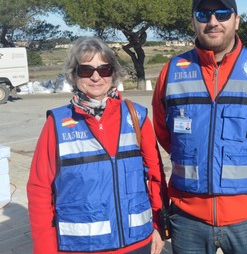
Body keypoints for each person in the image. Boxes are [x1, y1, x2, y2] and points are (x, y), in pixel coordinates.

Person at [152, 0, 247, 254]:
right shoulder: (172, 71)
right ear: (193, 22)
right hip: (188, 219)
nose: (213, 22)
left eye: (223, 14)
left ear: (236, 20)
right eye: (203, 15)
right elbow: (164, 131)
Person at [27, 37, 168, 254]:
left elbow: (156, 176)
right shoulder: (56, 124)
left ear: (113, 73)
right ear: (74, 75)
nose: (95, 76)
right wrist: (45, 248)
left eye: (104, 69)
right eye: (85, 70)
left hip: (138, 243)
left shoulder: (136, 116)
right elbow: (39, 189)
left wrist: (160, 226)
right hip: (81, 248)